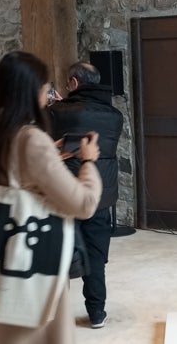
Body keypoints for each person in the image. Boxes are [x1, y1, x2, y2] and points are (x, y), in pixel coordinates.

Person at [0, 51, 102, 344]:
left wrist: (49, 156)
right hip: (33, 263)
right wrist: (89, 162)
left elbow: (11, 181)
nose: (49, 93)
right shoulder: (31, 140)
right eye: (46, 87)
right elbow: (83, 204)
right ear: (30, 91)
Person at [49, 61, 124, 329]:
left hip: (67, 194)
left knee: (58, 255)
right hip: (101, 196)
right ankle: (97, 313)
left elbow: (49, 141)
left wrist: (55, 106)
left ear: (74, 83)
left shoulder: (57, 112)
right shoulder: (115, 116)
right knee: (95, 257)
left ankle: (56, 316)